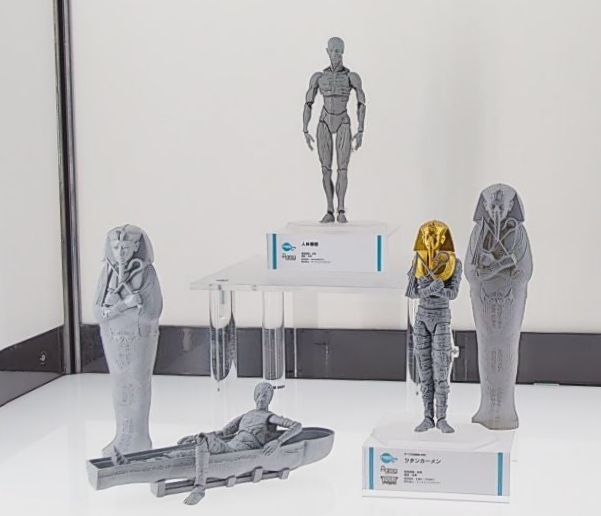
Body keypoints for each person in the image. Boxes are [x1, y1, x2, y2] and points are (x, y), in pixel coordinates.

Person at [94, 224, 163, 455]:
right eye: (116, 247)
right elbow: (98, 312)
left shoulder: (146, 273)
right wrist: (124, 305)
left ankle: (138, 438)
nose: (120, 252)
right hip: (113, 337)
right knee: (119, 384)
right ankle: (122, 434)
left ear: (136, 247)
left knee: (137, 384)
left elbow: (152, 311)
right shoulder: (107, 274)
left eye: (125, 247)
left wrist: (119, 309)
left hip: (138, 338)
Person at [179, 382, 302, 505]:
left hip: (237, 453)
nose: (261, 398)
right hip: (228, 447)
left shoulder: (270, 417)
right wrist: (194, 437)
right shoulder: (246, 415)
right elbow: (223, 432)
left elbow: (296, 426)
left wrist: (278, 441)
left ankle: (199, 488)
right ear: (254, 397)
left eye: (265, 395)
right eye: (258, 394)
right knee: (183, 453)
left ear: (270, 399)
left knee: (203, 439)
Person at [406, 221, 462, 434]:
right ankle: (427, 417)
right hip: (421, 318)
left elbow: (453, 294)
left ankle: (442, 418)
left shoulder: (454, 263)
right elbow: (412, 292)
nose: (430, 241)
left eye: (435, 236)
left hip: (441, 318)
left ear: (442, 238)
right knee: (424, 371)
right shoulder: (418, 261)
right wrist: (431, 288)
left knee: (441, 369)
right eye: (427, 236)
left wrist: (434, 289)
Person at [303, 37, 366, 223]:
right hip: (324, 121)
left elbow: (361, 103)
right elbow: (308, 103)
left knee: (343, 169)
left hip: (343, 121)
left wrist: (361, 130)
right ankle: (329, 209)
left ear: (343, 51)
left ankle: (341, 210)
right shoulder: (318, 77)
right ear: (327, 51)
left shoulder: (351, 77)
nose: (335, 54)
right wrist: (305, 129)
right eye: (332, 50)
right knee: (325, 169)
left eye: (338, 50)